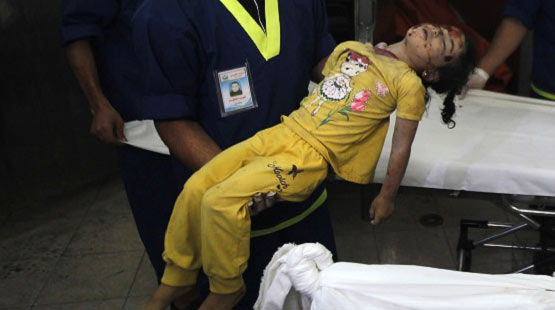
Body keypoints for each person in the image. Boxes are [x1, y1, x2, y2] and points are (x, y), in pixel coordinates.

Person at [143, 24, 475, 310]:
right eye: (440, 28)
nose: (436, 32)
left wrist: (386, 196)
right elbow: (332, 89)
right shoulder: (352, 49)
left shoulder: (408, 85)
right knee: (198, 185)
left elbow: (401, 148)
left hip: (306, 159)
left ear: (432, 73)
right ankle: (179, 275)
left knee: (221, 201)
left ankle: (227, 287)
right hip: (282, 131)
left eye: (444, 43)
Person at [131, 0, 335, 309]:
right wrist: (243, 182)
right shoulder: (168, 10)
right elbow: (174, 121)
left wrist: (369, 70)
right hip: (229, 223)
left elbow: (320, 60)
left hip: (307, 208)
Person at [60, 0, 186, 283]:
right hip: (136, 113)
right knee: (160, 217)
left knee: (194, 211)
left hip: (179, 106)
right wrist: (99, 104)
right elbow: (77, 35)